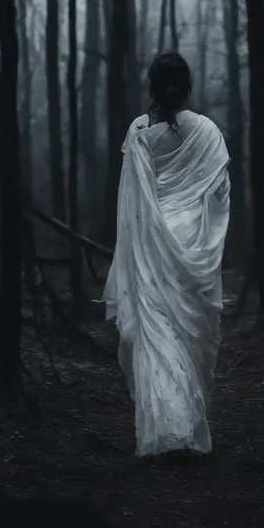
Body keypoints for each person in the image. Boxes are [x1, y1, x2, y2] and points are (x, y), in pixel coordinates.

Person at [104, 52, 230, 459]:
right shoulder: (206, 131)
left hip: (150, 248)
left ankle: (163, 428)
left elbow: (129, 205)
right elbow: (220, 193)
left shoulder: (138, 131)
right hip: (190, 241)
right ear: (187, 85)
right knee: (187, 335)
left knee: (157, 336)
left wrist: (141, 243)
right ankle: (186, 426)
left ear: (152, 86)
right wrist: (196, 224)